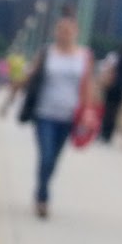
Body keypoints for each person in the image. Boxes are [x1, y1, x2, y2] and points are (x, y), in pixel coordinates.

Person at [17, 15, 94, 218]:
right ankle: (43, 197)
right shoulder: (47, 53)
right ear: (55, 32)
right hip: (44, 113)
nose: (64, 34)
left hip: (68, 115)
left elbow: (86, 85)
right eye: (61, 29)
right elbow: (32, 75)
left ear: (76, 32)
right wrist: (12, 92)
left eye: (69, 30)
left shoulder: (84, 56)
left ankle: (42, 186)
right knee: (46, 155)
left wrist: (88, 111)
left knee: (54, 160)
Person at [99, 43, 122, 143]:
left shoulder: (113, 57)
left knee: (106, 110)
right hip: (120, 90)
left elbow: (106, 70)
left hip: (111, 88)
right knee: (114, 112)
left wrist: (105, 82)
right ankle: (108, 135)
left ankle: (102, 132)